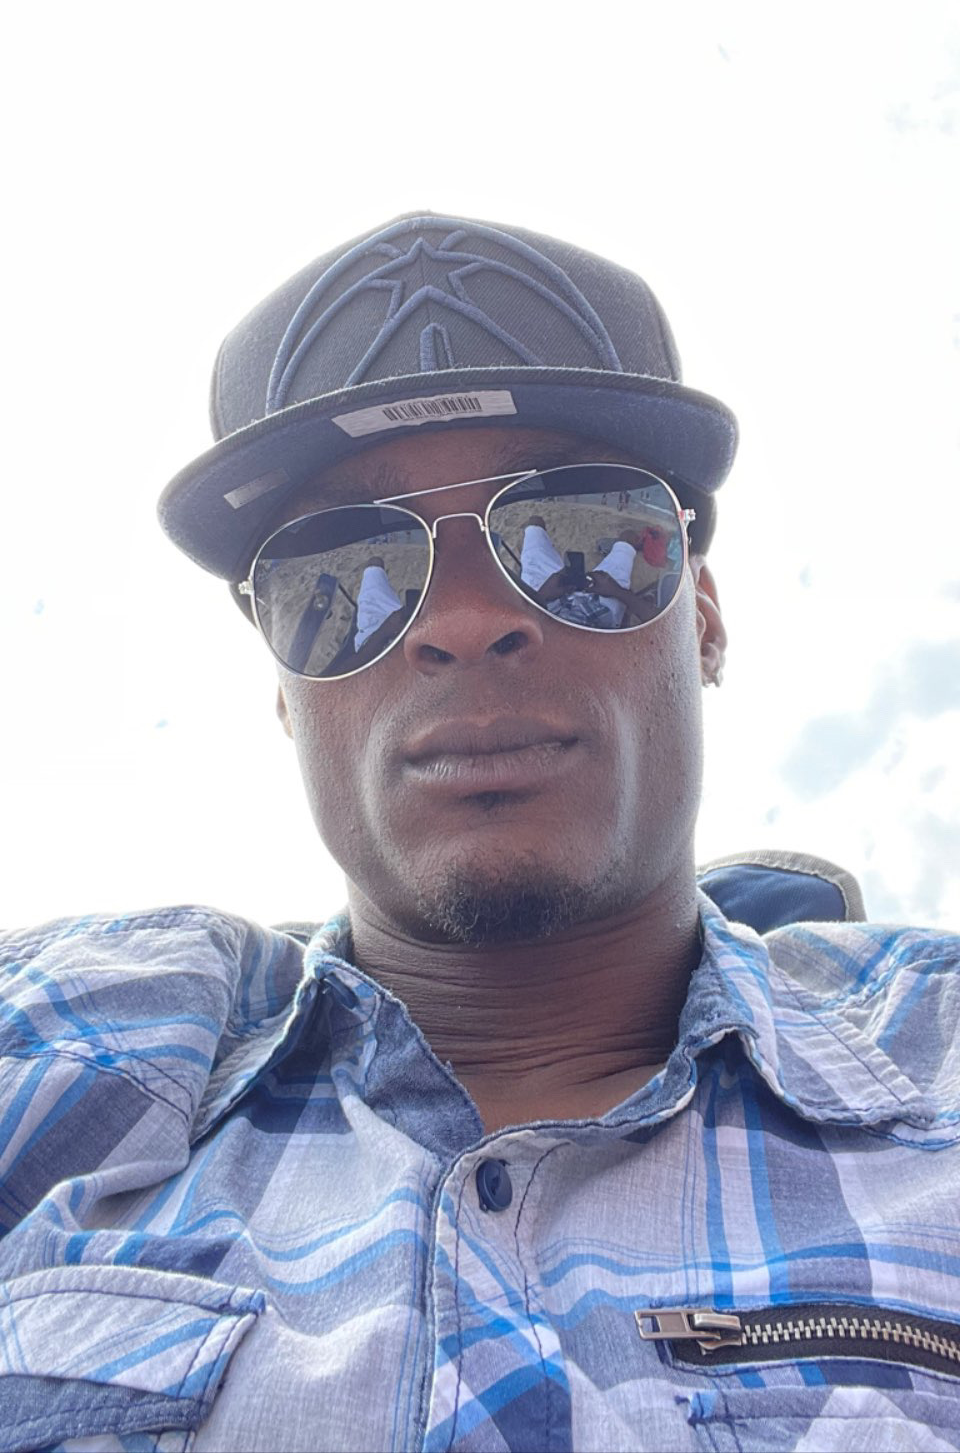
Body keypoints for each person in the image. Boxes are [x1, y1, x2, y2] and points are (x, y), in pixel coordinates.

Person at [1, 212, 958, 1453]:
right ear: (285, 689)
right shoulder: (74, 1036)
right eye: (339, 571)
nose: (459, 616)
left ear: (704, 618)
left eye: (581, 533)